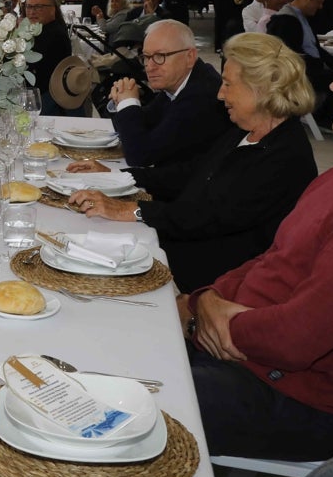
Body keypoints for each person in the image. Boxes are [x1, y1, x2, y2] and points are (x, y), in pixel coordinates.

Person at [176, 40, 333, 462]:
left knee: (121, 399)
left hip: (299, 399)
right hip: (249, 361)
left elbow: (297, 337)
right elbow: (269, 260)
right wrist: (205, 300)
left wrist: (212, 321)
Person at [68, 33, 317, 292]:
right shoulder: (245, 130)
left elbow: (207, 215)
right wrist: (122, 176)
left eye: (229, 85)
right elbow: (192, 173)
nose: (220, 95)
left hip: (207, 279)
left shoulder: (285, 157)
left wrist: (129, 210)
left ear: (261, 88)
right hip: (180, 247)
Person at [109, 20, 231, 168]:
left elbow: (140, 154)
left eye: (160, 56)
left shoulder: (200, 95)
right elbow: (142, 125)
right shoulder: (179, 82)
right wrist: (122, 101)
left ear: (190, 57)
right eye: (146, 57)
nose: (150, 67)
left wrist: (127, 104)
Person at [23, 0, 72, 116]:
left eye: (38, 7)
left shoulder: (53, 34)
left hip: (46, 99)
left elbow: (30, 65)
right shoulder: (42, 30)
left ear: (52, 9)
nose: (32, 11)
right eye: (29, 7)